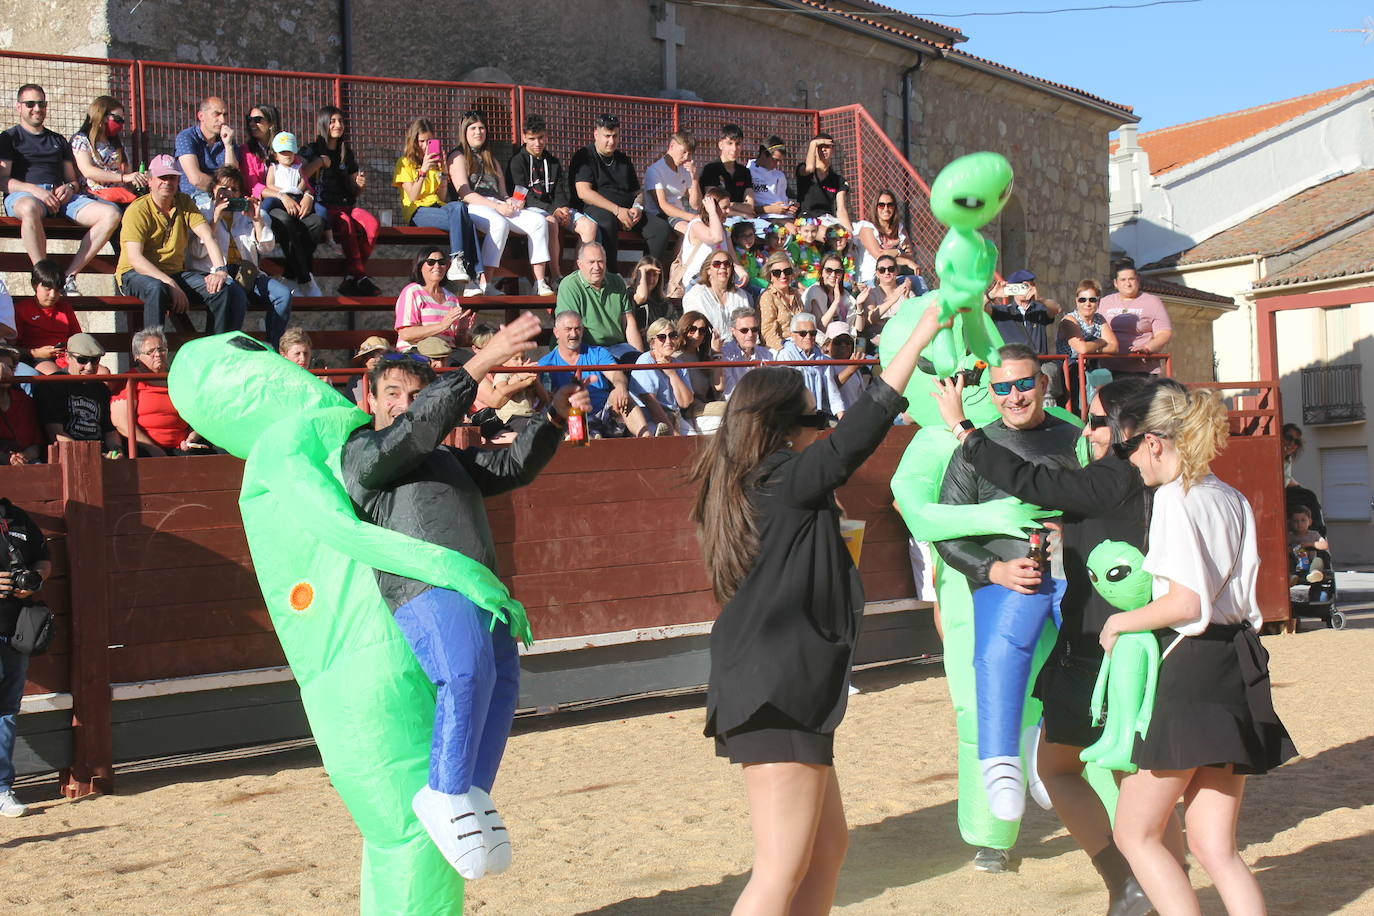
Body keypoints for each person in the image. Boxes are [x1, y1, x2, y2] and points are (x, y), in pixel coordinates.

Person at [688, 301, 948, 915]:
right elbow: (862, 430)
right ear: (784, 429)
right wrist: (921, 337)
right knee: (779, 870)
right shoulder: (781, 478)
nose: (817, 435)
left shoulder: (752, 481)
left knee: (825, 851)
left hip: (780, 679)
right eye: (810, 425)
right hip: (777, 684)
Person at [341, 311, 590, 879]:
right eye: (393, 393)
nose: (404, 402)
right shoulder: (364, 453)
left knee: (499, 686)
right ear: (371, 401)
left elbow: (509, 466)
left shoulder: (446, 457)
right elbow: (415, 431)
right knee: (467, 676)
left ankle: (471, 794)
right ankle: (445, 792)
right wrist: (479, 362)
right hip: (426, 584)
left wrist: (552, 416)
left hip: (480, 589)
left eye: (414, 392)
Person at [936, 374, 1182, 912]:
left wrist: (963, 428)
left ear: (1127, 430)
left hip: (1099, 646)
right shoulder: (1175, 480)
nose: (1087, 431)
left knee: (1061, 769)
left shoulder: (1114, 476)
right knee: (1142, 778)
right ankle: (1162, 884)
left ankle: (1128, 881)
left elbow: (1032, 481)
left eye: (1096, 421)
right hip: (1163, 645)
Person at [1104, 380, 1296, 915]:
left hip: (1191, 667)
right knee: (1217, 848)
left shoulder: (1173, 497)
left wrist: (1120, 621)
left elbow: (1186, 604)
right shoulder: (1229, 496)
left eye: (1127, 447)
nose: (1129, 461)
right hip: (1237, 664)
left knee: (1135, 833)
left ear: (1154, 442)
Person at [933, 342, 1082, 839]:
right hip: (1006, 577)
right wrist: (993, 569)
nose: (1014, 396)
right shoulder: (970, 451)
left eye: (1023, 383)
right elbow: (948, 531)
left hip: (1076, 573)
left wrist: (1074, 531)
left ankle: (1047, 752)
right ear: (991, 392)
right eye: (1002, 387)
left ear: (1043, 384)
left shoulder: (1076, 439)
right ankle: (1002, 766)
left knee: (1096, 659)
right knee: (998, 658)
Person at [0, 84, 122, 291]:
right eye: (30, 104)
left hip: (60, 197)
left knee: (111, 214)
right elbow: (3, 180)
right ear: (18, 107)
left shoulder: (57, 140)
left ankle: (68, 276)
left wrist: (69, 188)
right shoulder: (9, 138)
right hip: (24, 196)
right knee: (30, 208)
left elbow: (73, 181)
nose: (37, 109)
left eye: (42, 104)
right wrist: (35, 190)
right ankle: (44, 278)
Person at [116, 155, 247, 334]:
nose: (168, 182)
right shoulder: (137, 210)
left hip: (173, 274)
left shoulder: (184, 202)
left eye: (172, 177)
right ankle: (153, 353)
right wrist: (170, 283)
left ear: (178, 181)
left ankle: (213, 352)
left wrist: (220, 271)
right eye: (163, 177)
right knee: (156, 288)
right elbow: (135, 259)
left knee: (220, 289)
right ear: (150, 181)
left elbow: (208, 236)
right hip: (135, 274)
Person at [448, 111, 553, 296]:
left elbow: (503, 194)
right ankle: (484, 283)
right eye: (473, 128)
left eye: (481, 128)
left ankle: (540, 282)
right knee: (499, 224)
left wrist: (512, 201)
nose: (478, 132)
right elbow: (464, 193)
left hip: (497, 204)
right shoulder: (458, 156)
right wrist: (497, 207)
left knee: (539, 222)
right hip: (474, 206)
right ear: (464, 131)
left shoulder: (491, 159)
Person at [191, 166, 293, 349]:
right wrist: (214, 219)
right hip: (216, 273)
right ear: (213, 189)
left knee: (283, 296)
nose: (228, 194)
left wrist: (257, 220)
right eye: (223, 188)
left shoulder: (250, 213)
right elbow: (196, 252)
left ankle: (273, 347)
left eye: (234, 190)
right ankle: (229, 349)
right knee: (236, 295)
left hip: (247, 273)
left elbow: (267, 247)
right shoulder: (202, 211)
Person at [0, 495, 52, 818]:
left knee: (6, 710)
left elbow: (46, 558)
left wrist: (36, 579)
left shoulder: (16, 517)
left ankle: (2, 788)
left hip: (14, 630)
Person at [505, 114, 597, 286]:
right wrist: (553, 211)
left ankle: (578, 279)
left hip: (557, 208)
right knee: (551, 222)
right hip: (531, 209)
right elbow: (523, 195)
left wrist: (563, 209)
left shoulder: (553, 161)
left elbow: (561, 190)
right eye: (532, 139)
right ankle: (556, 276)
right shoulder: (517, 162)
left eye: (540, 138)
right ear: (524, 137)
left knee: (590, 226)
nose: (537, 143)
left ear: (546, 136)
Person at [394, 118, 482, 293]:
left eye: (429, 141)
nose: (426, 146)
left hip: (438, 206)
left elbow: (441, 196)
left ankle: (471, 274)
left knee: (460, 208)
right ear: (414, 142)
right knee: (465, 219)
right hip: (417, 211)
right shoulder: (404, 163)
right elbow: (412, 196)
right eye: (422, 141)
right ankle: (471, 272)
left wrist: (442, 173)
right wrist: (423, 171)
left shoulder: (434, 162)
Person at [536, 310, 654, 437]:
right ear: (556, 333)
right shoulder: (546, 363)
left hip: (604, 413)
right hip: (573, 418)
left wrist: (620, 386)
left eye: (577, 329)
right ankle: (592, 440)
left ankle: (647, 439)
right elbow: (547, 400)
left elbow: (616, 374)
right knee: (573, 408)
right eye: (568, 329)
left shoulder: (598, 352)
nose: (573, 334)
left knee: (621, 394)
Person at [303, 106, 381, 296]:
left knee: (371, 224)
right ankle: (360, 276)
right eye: (333, 121)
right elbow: (300, 175)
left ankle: (351, 275)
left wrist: (359, 184)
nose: (338, 125)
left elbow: (354, 187)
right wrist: (319, 162)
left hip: (346, 205)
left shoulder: (346, 152)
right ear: (324, 124)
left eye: (340, 121)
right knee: (346, 224)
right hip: (324, 207)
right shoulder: (310, 150)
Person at [110, 327, 208, 457]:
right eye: (150, 351)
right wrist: (151, 448)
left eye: (161, 349)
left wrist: (192, 437)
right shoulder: (130, 381)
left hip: (184, 447)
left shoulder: (178, 378)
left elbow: (200, 412)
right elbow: (122, 423)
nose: (158, 354)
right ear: (137, 357)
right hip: (144, 448)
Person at [569, 113, 644, 273]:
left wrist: (637, 207)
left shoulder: (623, 160)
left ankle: (650, 276)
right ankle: (611, 274)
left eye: (615, 136)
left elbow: (638, 192)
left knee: (659, 228)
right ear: (596, 134)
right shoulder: (585, 156)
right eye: (607, 136)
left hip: (627, 211)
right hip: (595, 208)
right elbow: (584, 193)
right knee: (606, 221)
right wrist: (617, 211)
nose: (611, 141)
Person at [33, 332, 122, 457]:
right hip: (66, 457)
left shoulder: (101, 389)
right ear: (67, 357)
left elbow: (109, 431)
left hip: (98, 454)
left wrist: (116, 450)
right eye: (82, 360)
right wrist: (90, 456)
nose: (89, 367)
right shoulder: (52, 385)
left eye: (95, 360)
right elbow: (56, 434)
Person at [555, 242, 645, 358]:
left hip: (617, 346)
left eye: (600, 261)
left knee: (639, 363)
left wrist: (641, 361)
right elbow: (568, 327)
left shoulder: (617, 282)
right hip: (586, 348)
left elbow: (628, 322)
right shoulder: (569, 285)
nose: (597, 267)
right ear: (579, 264)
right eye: (591, 262)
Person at [986, 269, 1063, 400]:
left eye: (1027, 285)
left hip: (1040, 364)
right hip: (1014, 366)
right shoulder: (1002, 312)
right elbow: (977, 310)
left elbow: (1056, 309)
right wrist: (991, 295)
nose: (1023, 290)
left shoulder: (1039, 310)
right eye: (1020, 286)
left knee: (1049, 375)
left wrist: (1039, 299)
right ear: (1011, 288)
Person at [261, 131, 325, 289]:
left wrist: (305, 193)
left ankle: (290, 274)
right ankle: (305, 278)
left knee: (317, 222)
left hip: (297, 201)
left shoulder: (298, 168)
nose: (286, 155)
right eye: (282, 152)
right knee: (285, 223)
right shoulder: (273, 168)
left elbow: (304, 184)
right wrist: (282, 192)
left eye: (289, 151)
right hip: (277, 201)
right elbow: (269, 185)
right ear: (276, 155)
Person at [68, 95, 146, 206]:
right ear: (102, 116)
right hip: (94, 195)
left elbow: (128, 174)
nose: (120, 124)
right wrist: (123, 178)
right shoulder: (81, 140)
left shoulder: (117, 145)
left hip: (123, 195)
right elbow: (88, 171)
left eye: (122, 120)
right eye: (117, 119)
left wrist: (139, 178)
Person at [395, 248, 477, 352]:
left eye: (442, 262)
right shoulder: (412, 292)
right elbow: (406, 334)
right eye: (431, 262)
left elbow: (457, 343)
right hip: (418, 350)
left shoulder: (452, 298)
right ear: (420, 266)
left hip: (447, 351)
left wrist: (461, 331)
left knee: (475, 363)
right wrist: (442, 325)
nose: (437, 266)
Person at [1057, 279, 1119, 411]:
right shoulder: (1069, 320)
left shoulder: (1099, 319)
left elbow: (1114, 346)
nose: (1087, 304)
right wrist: (1101, 342)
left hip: (1092, 370)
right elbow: (1082, 348)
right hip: (1070, 372)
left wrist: (1092, 349)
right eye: (1082, 300)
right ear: (1076, 301)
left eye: (1092, 299)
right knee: (1077, 411)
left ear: (1098, 301)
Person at [1098, 262, 1172, 369]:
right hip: (1108, 368)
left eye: (1131, 279)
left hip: (1142, 368)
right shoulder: (1104, 302)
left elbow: (1164, 333)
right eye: (1123, 280)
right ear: (1115, 283)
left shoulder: (1152, 302)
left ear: (1138, 280)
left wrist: (1146, 348)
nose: (1127, 284)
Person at [15, 259, 82, 374]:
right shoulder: (21, 310)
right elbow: (11, 349)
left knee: (103, 372)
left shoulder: (65, 308)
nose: (52, 295)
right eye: (48, 289)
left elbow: (78, 339)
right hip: (36, 359)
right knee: (55, 375)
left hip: (67, 358)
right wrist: (36, 353)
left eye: (57, 290)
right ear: (34, 285)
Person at [174, 95, 240, 211]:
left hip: (225, 196)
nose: (223, 120)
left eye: (225, 115)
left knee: (260, 214)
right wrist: (223, 189)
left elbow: (232, 175)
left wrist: (228, 145)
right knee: (209, 209)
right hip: (193, 197)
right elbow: (195, 179)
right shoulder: (187, 137)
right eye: (217, 114)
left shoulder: (227, 139)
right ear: (201, 116)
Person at [630, 317, 695, 435]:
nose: (668, 341)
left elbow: (685, 402)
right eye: (662, 337)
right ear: (652, 343)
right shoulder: (645, 361)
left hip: (675, 416)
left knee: (695, 445)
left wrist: (672, 374)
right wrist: (673, 431)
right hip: (649, 418)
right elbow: (650, 402)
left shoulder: (679, 364)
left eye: (673, 335)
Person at [775, 312, 845, 420]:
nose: (808, 337)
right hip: (794, 415)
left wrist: (842, 417)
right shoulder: (785, 355)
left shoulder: (821, 358)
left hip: (818, 413)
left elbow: (832, 392)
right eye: (803, 333)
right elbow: (785, 393)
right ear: (792, 335)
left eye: (812, 333)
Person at [683, 247, 748, 346]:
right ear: (708, 270)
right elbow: (693, 331)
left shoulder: (740, 295)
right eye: (717, 264)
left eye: (727, 264)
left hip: (738, 349)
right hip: (706, 349)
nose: (722, 267)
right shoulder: (695, 295)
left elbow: (748, 324)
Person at [854, 190, 919, 284]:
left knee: (918, 282)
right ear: (875, 207)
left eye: (890, 205)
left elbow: (909, 256)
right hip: (871, 280)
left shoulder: (899, 229)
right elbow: (880, 256)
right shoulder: (867, 228)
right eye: (881, 205)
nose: (886, 209)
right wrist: (899, 252)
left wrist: (903, 259)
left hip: (894, 277)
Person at [675, 187, 731, 292]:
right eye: (724, 207)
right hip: (698, 282)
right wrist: (712, 212)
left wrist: (742, 272)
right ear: (712, 207)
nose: (728, 211)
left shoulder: (723, 229)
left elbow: (732, 258)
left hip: (719, 280)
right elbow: (716, 238)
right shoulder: (696, 224)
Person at [697, 123, 755, 218]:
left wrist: (726, 205)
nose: (734, 149)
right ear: (720, 145)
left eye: (738, 144)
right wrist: (741, 213)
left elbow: (750, 207)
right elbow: (714, 205)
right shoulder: (710, 169)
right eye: (730, 143)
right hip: (718, 220)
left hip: (743, 220)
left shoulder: (745, 172)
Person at [804, 252, 869, 334]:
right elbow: (820, 328)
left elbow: (859, 328)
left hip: (846, 341)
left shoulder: (845, 294)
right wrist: (835, 302)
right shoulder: (815, 292)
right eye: (829, 270)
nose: (833, 275)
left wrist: (859, 305)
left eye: (838, 271)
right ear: (821, 272)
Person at [862, 254, 915, 353]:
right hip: (878, 340)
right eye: (882, 270)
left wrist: (907, 298)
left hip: (902, 337)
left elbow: (915, 317)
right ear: (877, 273)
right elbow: (870, 319)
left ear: (896, 271)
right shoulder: (871, 294)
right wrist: (893, 298)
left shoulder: (906, 292)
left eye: (891, 269)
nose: (887, 272)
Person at [675, 310, 721, 425]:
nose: (697, 335)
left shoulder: (704, 356)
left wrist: (716, 353)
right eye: (692, 330)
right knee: (731, 409)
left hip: (705, 405)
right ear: (684, 330)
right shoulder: (675, 357)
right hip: (688, 410)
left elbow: (719, 386)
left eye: (702, 331)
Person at [795, 132, 850, 226]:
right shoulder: (803, 169)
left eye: (827, 146)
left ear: (833, 150)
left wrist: (850, 233)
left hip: (828, 220)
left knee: (864, 227)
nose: (823, 149)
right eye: (819, 147)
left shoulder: (838, 180)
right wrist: (813, 143)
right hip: (807, 220)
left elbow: (841, 210)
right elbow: (809, 168)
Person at [718, 307, 772, 399]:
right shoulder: (725, 354)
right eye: (744, 330)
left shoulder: (766, 354)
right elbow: (730, 393)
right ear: (733, 331)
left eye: (754, 329)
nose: (750, 334)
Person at [0, 348, 42, 465]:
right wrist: (8, 458)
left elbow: (36, 443)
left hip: (24, 460)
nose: (5, 372)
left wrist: (23, 457)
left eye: (10, 368)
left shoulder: (24, 400)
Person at [759, 251, 804, 351]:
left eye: (787, 271)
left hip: (801, 345)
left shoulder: (796, 294)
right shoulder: (767, 297)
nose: (783, 276)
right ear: (770, 276)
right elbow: (767, 333)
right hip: (779, 349)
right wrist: (785, 350)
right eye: (777, 273)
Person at [240, 103, 281, 204]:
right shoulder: (246, 151)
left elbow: (298, 172)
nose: (252, 124)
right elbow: (253, 186)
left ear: (271, 123)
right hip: (261, 202)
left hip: (287, 196)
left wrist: (308, 195)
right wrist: (282, 195)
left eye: (257, 120)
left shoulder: (283, 146)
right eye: (249, 120)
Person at [747, 136, 796, 219]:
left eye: (779, 161)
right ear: (763, 154)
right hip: (763, 219)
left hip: (785, 217)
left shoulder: (780, 175)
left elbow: (783, 201)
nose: (778, 164)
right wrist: (769, 209)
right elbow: (745, 207)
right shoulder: (747, 172)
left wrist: (789, 207)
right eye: (775, 160)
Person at [822, 321, 866, 412]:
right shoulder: (824, 362)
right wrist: (851, 369)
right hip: (835, 417)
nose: (843, 345)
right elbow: (829, 386)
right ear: (827, 346)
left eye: (847, 341)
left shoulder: (853, 363)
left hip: (855, 416)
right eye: (838, 342)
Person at [629, 256, 676, 331]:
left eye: (655, 275)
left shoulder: (664, 303)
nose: (651, 279)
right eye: (647, 274)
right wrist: (641, 270)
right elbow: (641, 297)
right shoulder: (629, 294)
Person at [1288, 504, 1330, 585]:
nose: (1299, 524)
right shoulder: (1289, 536)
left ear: (1309, 522)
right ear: (1290, 523)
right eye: (1296, 521)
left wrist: (1309, 544)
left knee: (1318, 560)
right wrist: (1296, 547)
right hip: (1295, 564)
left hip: (1311, 562)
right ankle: (1291, 577)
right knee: (1287, 562)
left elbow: (1324, 545)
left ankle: (1314, 574)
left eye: (1303, 520)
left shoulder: (1314, 534)